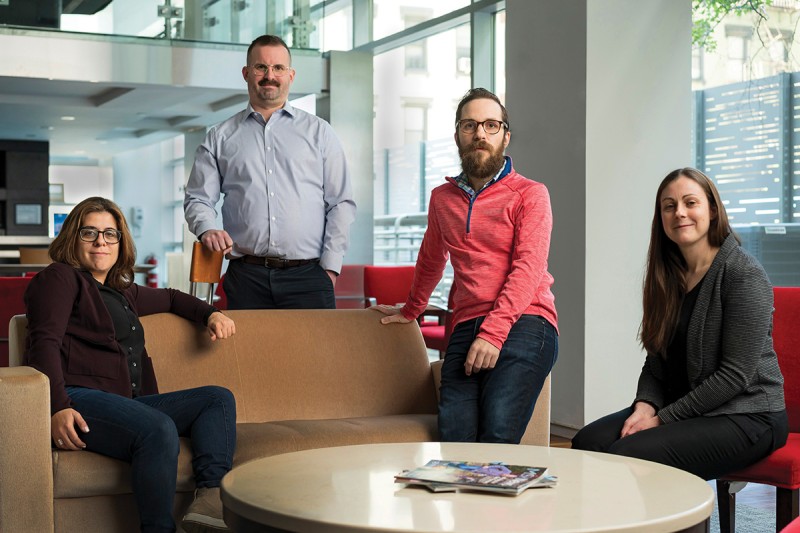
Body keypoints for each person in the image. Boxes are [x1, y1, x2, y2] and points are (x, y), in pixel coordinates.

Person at [24, 197, 238, 533]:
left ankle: (210, 500)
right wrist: (57, 407)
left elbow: (169, 297)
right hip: (80, 398)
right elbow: (44, 343)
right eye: (89, 233)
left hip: (126, 401)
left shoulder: (120, 290)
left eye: (110, 234)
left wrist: (210, 313)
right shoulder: (60, 279)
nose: (101, 242)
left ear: (120, 242)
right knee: (158, 428)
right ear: (72, 237)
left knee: (217, 398)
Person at [571, 168, 788, 480]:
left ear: (712, 210)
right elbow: (655, 359)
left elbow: (734, 376)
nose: (680, 213)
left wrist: (663, 419)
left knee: (630, 455)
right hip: (686, 406)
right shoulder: (667, 275)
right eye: (669, 206)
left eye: (691, 203)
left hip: (749, 414)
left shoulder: (743, 273)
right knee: (587, 443)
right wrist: (645, 405)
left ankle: (669, 527)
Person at [373, 88, 559, 444]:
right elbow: (431, 258)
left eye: (491, 125)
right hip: (465, 325)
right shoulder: (442, 200)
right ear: (457, 134)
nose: (480, 134)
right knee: (455, 441)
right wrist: (412, 309)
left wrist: (493, 333)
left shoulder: (531, 194)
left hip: (526, 321)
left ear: (505, 135)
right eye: (470, 125)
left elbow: (528, 267)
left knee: (497, 434)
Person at [184, 34, 356, 310]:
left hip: (309, 276)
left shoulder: (319, 132)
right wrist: (207, 229)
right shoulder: (219, 137)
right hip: (246, 277)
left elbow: (340, 203)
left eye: (278, 68)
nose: (269, 75)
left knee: (313, 355)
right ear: (246, 73)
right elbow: (198, 199)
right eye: (261, 67)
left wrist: (330, 268)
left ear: (291, 75)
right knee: (250, 355)